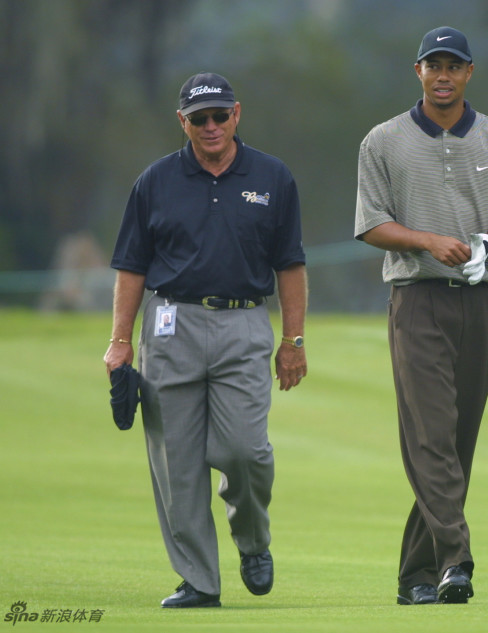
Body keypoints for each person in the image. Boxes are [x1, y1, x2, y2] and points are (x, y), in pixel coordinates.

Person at [103, 72, 308, 608]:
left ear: (237, 114)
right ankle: (200, 580)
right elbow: (131, 266)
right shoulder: (155, 181)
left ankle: (252, 540)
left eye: (220, 116)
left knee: (243, 450)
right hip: (170, 326)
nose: (211, 126)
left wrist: (295, 340)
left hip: (243, 324)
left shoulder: (272, 176)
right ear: (183, 122)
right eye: (200, 119)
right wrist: (119, 341)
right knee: (176, 460)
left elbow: (290, 264)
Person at [355, 27, 488, 605]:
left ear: (470, 73)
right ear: (418, 71)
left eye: (455, 65)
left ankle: (416, 576)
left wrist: (485, 242)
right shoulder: (383, 140)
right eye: (435, 65)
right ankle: (458, 558)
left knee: (458, 443)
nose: (444, 75)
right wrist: (428, 241)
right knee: (430, 437)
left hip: (480, 302)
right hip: (418, 300)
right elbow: (371, 223)